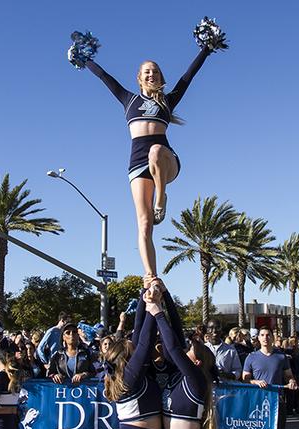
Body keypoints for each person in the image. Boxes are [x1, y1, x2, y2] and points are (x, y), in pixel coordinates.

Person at [81, 34, 218, 283]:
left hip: (165, 160)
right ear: (139, 77)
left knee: (155, 150)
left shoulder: (168, 100)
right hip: (137, 163)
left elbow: (189, 76)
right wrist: (84, 59)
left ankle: (161, 197)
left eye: (154, 71)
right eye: (146, 72)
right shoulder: (128, 99)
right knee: (144, 224)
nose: (151, 74)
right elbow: (104, 77)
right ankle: (151, 275)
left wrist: (206, 49)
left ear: (160, 77)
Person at [145, 285, 218, 429]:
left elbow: (173, 347)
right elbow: (176, 333)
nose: (184, 352)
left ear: (197, 363)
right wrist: (166, 294)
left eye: (189, 352)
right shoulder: (177, 376)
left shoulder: (197, 382)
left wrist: (158, 312)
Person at [102, 290, 161, 429]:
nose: (136, 350)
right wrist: (153, 306)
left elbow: (138, 329)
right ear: (125, 359)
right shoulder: (128, 378)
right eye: (132, 350)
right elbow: (145, 341)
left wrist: (145, 293)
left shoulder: (126, 375)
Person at [242, 326, 299, 429]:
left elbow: (289, 375)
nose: (265, 337)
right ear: (258, 338)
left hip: (277, 402)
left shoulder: (281, 357)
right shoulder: (251, 357)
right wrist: (255, 381)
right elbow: (244, 379)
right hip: (258, 403)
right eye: (262, 335)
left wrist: (291, 381)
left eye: (268, 335)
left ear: (272, 337)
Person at [47, 322, 95, 429]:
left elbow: (95, 372)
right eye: (68, 332)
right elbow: (49, 374)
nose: (71, 335)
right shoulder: (57, 355)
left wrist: (84, 374)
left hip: (83, 404)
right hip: (65, 405)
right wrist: (54, 375)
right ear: (63, 337)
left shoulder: (86, 354)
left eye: (74, 332)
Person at [204, 318, 243, 429]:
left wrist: (228, 375)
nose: (214, 332)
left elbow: (238, 371)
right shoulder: (201, 349)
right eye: (211, 328)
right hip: (208, 397)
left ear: (221, 330)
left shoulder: (230, 350)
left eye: (217, 328)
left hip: (227, 397)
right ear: (207, 331)